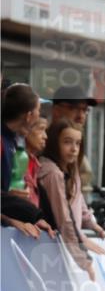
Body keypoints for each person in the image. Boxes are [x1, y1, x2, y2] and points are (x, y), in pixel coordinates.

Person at [36, 120, 105, 280]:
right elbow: (64, 219)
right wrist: (84, 260)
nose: (74, 149)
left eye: (78, 143)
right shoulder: (52, 173)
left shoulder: (70, 169)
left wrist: (90, 222)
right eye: (67, 142)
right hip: (51, 249)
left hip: (63, 247)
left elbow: (78, 199)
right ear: (54, 142)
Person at [1, 83, 50, 232]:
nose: (39, 116)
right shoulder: (3, 142)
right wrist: (31, 215)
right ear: (29, 116)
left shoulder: (10, 141)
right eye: (38, 111)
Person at [50, 86, 98, 194]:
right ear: (56, 110)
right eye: (74, 108)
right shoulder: (42, 140)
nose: (81, 116)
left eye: (85, 110)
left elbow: (86, 175)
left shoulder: (77, 147)